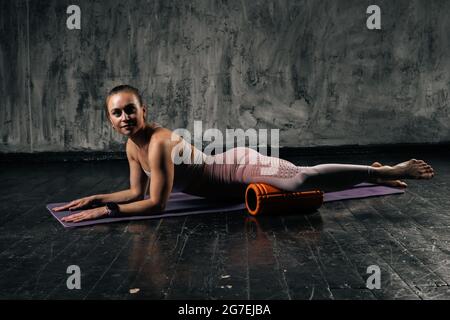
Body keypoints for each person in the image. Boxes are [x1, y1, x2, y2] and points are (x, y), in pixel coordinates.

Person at [54, 85, 435, 223]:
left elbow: (155, 204)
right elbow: (135, 193)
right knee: (300, 183)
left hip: (238, 168)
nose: (124, 117)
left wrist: (109, 212)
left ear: (144, 110)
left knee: (300, 178)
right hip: (227, 187)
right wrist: (101, 198)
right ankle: (372, 170)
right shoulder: (131, 147)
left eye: (130, 109)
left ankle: (384, 172)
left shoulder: (158, 142)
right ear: (110, 117)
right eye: (116, 112)